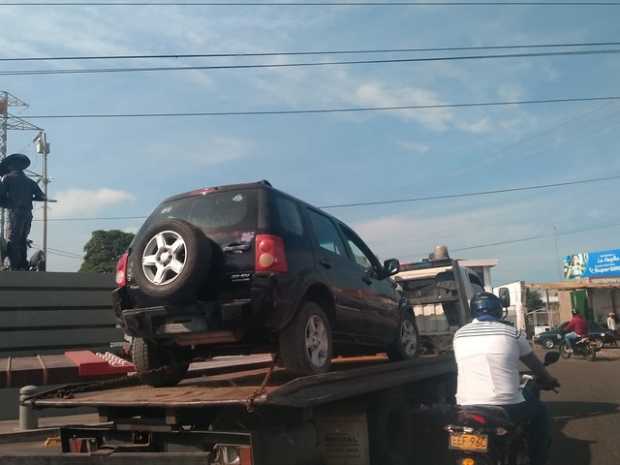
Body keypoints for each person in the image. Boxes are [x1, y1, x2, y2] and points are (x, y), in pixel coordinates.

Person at [454, 292, 560, 465]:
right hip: (506, 404)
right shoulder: (513, 333)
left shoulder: (459, 334)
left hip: (466, 405)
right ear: (499, 311)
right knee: (540, 411)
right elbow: (534, 364)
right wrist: (548, 379)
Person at [0, 153, 46, 271]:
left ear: (12, 165)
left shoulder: (8, 178)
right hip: (27, 214)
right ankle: (23, 264)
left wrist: (9, 201)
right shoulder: (30, 181)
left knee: (14, 239)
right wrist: (29, 196)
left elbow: (2, 196)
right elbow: (42, 196)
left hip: (15, 212)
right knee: (22, 239)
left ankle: (15, 265)